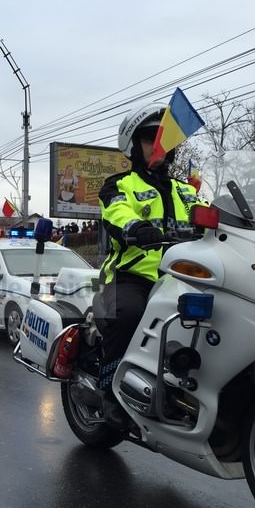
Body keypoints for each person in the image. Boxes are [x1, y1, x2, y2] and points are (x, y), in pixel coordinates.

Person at [94, 101, 204, 428]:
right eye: (149, 139)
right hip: (129, 278)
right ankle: (111, 392)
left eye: (163, 140)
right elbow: (116, 213)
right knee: (128, 313)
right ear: (133, 145)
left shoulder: (187, 191)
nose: (157, 147)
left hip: (181, 279)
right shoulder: (119, 185)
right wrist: (136, 228)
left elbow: (217, 217)